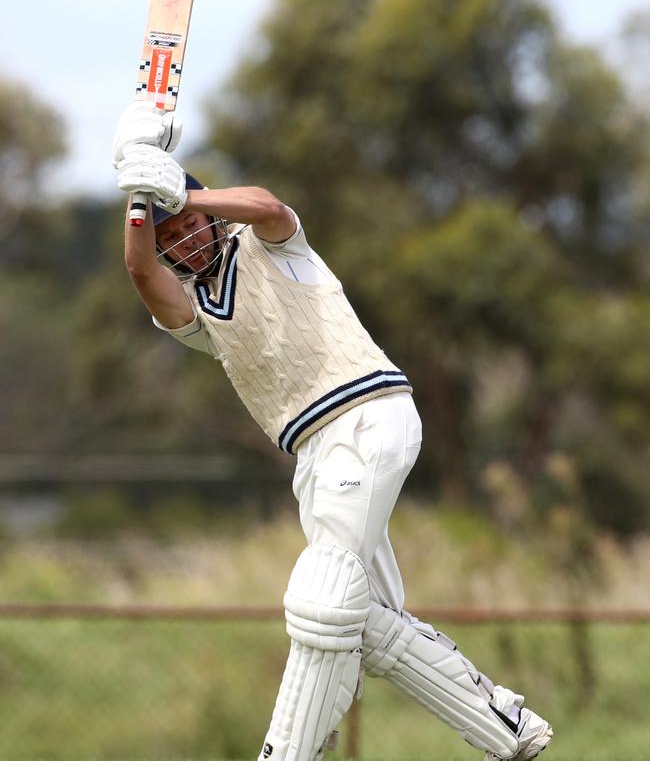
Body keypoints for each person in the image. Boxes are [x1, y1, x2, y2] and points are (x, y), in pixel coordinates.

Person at [113, 100, 553, 761]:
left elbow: (266, 204)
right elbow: (141, 270)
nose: (181, 242)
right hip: (316, 456)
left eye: (187, 225)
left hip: (368, 417)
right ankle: (508, 731)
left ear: (206, 214)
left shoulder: (274, 247)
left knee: (321, 598)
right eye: (169, 236)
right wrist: (138, 201)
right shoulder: (201, 314)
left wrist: (182, 188)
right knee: (360, 619)